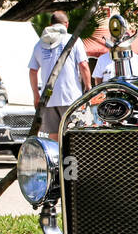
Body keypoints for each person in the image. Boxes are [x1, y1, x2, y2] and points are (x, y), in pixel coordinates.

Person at [28, 10, 92, 138]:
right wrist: (88, 87)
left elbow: (33, 71)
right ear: (66, 24)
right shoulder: (73, 40)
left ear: (50, 24)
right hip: (70, 96)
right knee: (73, 132)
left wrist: (36, 95)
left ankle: (56, 158)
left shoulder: (39, 44)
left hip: (48, 97)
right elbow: (83, 65)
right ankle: (71, 158)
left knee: (54, 134)